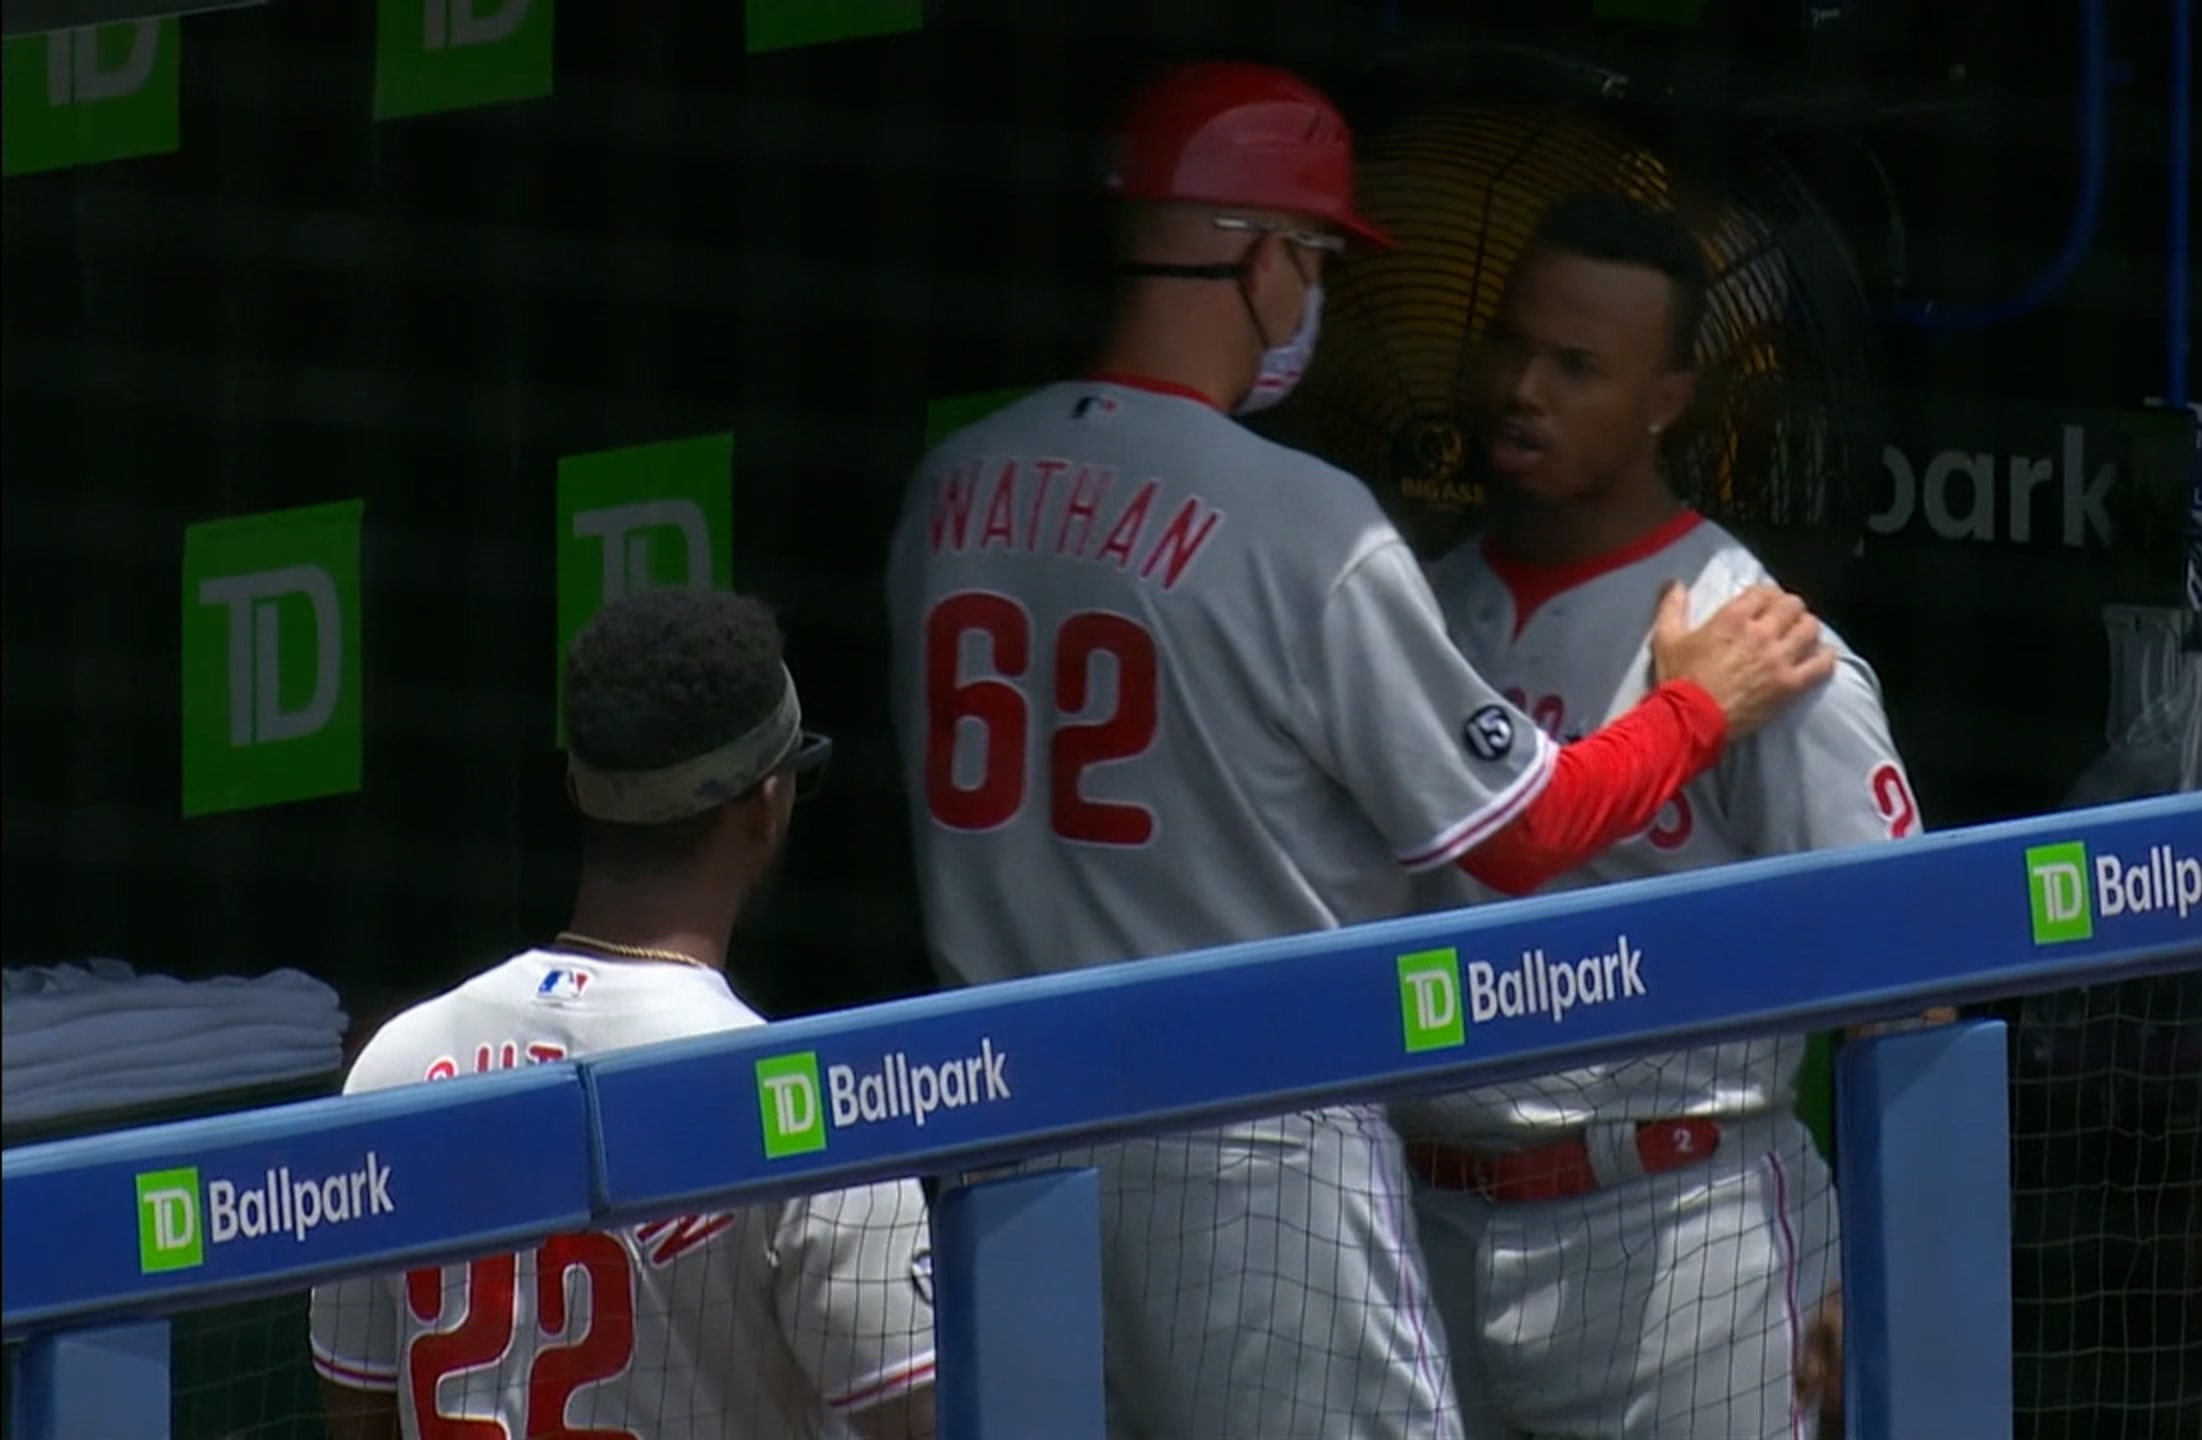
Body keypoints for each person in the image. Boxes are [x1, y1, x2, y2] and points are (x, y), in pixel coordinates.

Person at [883, 62, 1838, 1440]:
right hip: (1243, 1159)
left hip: (1004, 1144)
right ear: (1267, 260)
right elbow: (1528, 833)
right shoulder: (1298, 522)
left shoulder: (954, 482)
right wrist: (1695, 706)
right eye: (1321, 258)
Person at [1392, 191, 1928, 1440]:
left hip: (1680, 1234)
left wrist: (1886, 1267)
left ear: (1666, 399)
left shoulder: (1765, 643)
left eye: (1578, 366)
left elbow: (1905, 979)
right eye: (1512, 346)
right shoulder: (1410, 612)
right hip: (1423, 1221)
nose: (1524, 388)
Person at [309, 587, 937, 1440]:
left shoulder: (394, 1067)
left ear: (577, 788)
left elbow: (360, 1419)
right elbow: (929, 1422)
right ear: (767, 803)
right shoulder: (811, 1112)